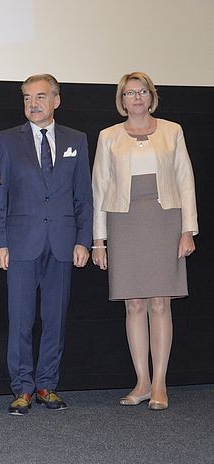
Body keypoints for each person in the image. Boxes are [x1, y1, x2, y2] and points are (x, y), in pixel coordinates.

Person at [91, 72, 197, 411]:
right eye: (129, 93)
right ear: (121, 100)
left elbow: (186, 181)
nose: (136, 98)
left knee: (160, 303)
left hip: (165, 219)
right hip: (123, 221)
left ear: (152, 97)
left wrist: (188, 230)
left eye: (142, 91)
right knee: (133, 304)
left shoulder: (172, 130)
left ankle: (160, 383)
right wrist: (98, 240)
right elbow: (99, 188)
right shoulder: (108, 136)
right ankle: (142, 382)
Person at [0, 74, 92, 415]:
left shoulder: (77, 139)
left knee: (55, 319)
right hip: (20, 243)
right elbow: (0, 196)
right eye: (27, 98)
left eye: (40, 97)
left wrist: (83, 240)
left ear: (56, 101)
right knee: (20, 319)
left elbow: (83, 196)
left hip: (62, 243)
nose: (33, 104)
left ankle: (47, 384)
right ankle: (22, 388)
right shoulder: (7, 140)